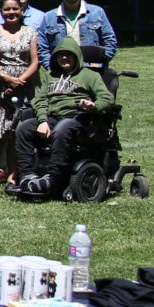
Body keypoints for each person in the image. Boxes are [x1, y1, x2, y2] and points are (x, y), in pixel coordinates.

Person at [16, 39, 119, 198]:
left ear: (76, 56)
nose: (64, 58)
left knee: (62, 128)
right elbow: (40, 100)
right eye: (60, 55)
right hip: (52, 116)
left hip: (80, 118)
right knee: (24, 128)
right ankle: (26, 175)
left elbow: (107, 98)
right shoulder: (50, 76)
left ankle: (53, 177)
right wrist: (42, 120)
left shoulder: (89, 75)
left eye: (68, 55)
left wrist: (93, 105)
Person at [0, 0, 41, 188]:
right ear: (1, 12)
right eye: (7, 9)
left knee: (18, 132)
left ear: (22, 10)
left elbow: (35, 61)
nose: (11, 12)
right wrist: (8, 79)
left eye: (15, 9)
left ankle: (14, 174)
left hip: (25, 87)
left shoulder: (30, 32)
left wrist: (20, 80)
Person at [37, 0, 120, 73]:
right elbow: (42, 48)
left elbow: (110, 41)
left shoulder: (97, 12)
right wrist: (53, 68)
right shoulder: (48, 17)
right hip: (61, 73)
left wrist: (100, 62)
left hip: (92, 72)